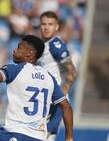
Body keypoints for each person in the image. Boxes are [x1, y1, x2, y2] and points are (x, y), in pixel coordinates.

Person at [0, 35, 73, 141]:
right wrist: (69, 137)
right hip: (39, 137)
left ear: (29, 53)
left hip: (14, 133)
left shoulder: (16, 69)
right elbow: (66, 106)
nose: (14, 50)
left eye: (19, 48)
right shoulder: (49, 78)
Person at [38, 11, 77, 140]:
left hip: (55, 101)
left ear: (57, 27)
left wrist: (64, 89)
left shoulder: (56, 45)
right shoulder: (43, 45)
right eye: (43, 24)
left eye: (50, 24)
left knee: (45, 136)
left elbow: (72, 70)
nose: (46, 27)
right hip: (45, 99)